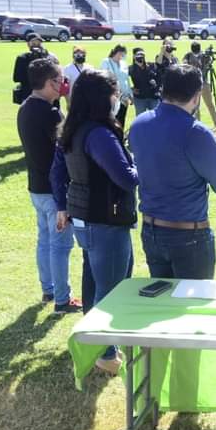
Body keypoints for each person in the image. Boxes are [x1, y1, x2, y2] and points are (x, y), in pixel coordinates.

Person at [59, 69, 138, 374]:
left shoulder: (76, 127)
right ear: (102, 98)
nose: (117, 99)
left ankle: (95, 344)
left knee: (95, 285)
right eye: (114, 93)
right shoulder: (99, 134)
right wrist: (141, 163)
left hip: (88, 217)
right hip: (104, 219)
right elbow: (126, 178)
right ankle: (103, 353)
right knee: (112, 289)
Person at [129, 65, 216, 283]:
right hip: (188, 235)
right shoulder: (195, 131)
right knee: (194, 309)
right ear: (196, 98)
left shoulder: (139, 124)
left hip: (152, 230)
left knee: (164, 304)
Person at [17, 58, 80, 314]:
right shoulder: (50, 113)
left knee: (45, 240)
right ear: (49, 82)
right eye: (60, 80)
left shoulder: (24, 107)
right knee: (60, 245)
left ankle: (49, 288)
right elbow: (67, 147)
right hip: (54, 191)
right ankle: (62, 299)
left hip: (36, 187)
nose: (63, 85)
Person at [181, 42, 216, 129]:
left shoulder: (204, 56)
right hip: (193, 83)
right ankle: (197, 124)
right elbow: (184, 65)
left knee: (210, 104)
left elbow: (209, 63)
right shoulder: (188, 56)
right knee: (195, 106)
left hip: (204, 82)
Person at [12, 34, 56, 103]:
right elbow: (16, 78)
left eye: (38, 42)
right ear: (28, 44)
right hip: (28, 95)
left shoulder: (49, 56)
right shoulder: (22, 58)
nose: (36, 44)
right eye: (33, 42)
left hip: (47, 93)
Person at [102, 44, 135, 128]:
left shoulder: (124, 63)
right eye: (121, 54)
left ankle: (120, 138)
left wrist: (130, 94)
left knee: (121, 119)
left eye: (124, 54)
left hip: (124, 97)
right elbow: (104, 78)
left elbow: (126, 79)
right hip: (112, 97)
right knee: (112, 119)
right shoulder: (106, 62)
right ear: (116, 52)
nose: (122, 56)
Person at [129, 48, 160, 116]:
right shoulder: (131, 69)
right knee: (140, 118)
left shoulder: (151, 65)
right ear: (134, 56)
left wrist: (156, 85)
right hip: (140, 98)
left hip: (153, 97)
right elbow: (122, 79)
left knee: (155, 118)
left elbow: (160, 76)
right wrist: (130, 89)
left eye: (142, 55)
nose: (140, 57)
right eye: (138, 55)